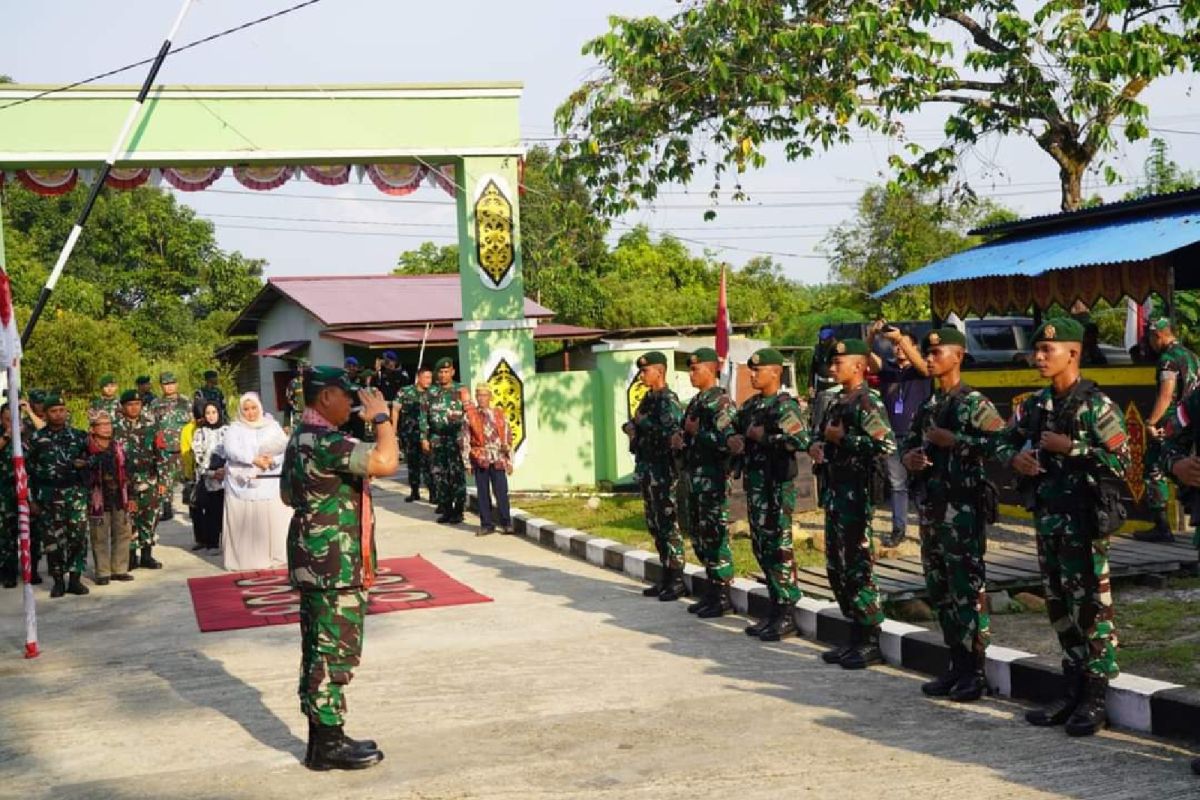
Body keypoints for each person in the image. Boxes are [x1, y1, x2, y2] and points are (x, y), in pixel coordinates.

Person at [995, 318, 1130, 737]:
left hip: (1084, 524)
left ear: (1072, 353)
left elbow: (1124, 461)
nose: (1038, 358)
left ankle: (1095, 694)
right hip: (1048, 521)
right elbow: (1002, 440)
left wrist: (1073, 447)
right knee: (1059, 607)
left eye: (1046, 351)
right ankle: (1071, 686)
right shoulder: (1035, 406)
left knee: (1091, 609)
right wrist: (1016, 459)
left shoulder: (1096, 406)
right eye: (1037, 351)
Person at [281, 365, 397, 771]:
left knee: (319, 649)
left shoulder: (301, 438)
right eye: (346, 395)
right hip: (335, 564)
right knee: (335, 651)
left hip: (316, 559)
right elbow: (385, 462)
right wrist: (382, 418)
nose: (352, 402)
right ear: (325, 397)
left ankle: (324, 739)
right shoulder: (325, 441)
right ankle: (327, 743)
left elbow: (285, 494)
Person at [901, 328, 1005, 702]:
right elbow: (908, 443)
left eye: (936, 352)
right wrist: (909, 459)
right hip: (932, 508)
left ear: (958, 356)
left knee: (966, 588)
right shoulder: (929, 406)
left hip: (962, 510)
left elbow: (1002, 444)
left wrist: (957, 441)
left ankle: (975, 670)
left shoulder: (974, 403)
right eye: (926, 353)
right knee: (940, 589)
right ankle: (956, 664)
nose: (929, 358)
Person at [808, 338, 895, 669]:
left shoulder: (867, 401)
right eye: (831, 363)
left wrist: (843, 439)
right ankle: (854, 633)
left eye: (839, 363)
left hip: (856, 494)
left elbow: (885, 444)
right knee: (837, 566)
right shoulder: (836, 401)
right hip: (835, 492)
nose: (833, 367)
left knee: (858, 565)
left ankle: (870, 636)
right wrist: (818, 447)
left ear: (858, 366)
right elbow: (821, 435)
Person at [729, 348, 806, 638]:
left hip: (777, 486)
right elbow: (734, 431)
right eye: (751, 370)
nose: (752, 375)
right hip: (756, 486)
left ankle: (787, 611)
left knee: (779, 547)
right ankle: (774, 607)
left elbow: (799, 438)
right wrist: (735, 442)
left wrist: (765, 437)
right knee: (761, 547)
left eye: (757, 370)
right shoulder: (750, 407)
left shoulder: (785, 407)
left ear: (775, 372)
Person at [674, 348, 737, 618]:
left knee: (714, 535)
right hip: (693, 478)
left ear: (711, 370)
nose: (691, 374)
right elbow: (687, 434)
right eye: (690, 369)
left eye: (695, 369)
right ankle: (711, 590)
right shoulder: (695, 402)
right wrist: (680, 439)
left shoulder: (721, 402)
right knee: (699, 537)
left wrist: (697, 434)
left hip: (712, 479)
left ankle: (722, 594)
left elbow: (728, 441)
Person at [623, 351, 687, 601]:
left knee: (668, 523)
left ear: (659, 371)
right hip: (647, 469)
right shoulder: (648, 399)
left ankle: (677, 577)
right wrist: (632, 428)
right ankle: (666, 574)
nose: (641, 375)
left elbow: (672, 434)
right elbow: (640, 426)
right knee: (655, 524)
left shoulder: (667, 400)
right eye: (640, 371)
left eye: (645, 370)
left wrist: (643, 424)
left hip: (662, 471)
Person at [868, 320, 932, 547]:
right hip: (893, 434)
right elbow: (867, 359)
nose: (898, 349)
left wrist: (901, 340)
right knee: (897, 484)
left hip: (919, 435)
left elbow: (924, 367)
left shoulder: (921, 369)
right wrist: (872, 335)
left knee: (924, 484)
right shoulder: (889, 369)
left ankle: (928, 528)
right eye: (895, 346)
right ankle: (898, 529)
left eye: (903, 345)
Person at [1138, 318, 1200, 542]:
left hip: (1171, 424)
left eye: (1151, 338)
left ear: (1159, 335)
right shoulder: (1191, 356)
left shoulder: (1167, 360)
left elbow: (1166, 394)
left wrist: (1151, 422)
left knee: (1154, 469)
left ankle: (1161, 526)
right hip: (1192, 422)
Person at [28, 393, 91, 598]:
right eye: (53, 411)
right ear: (45, 414)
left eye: (61, 410)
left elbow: (93, 462)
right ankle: (58, 581)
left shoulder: (80, 436)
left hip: (75, 494)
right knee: (52, 541)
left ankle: (75, 579)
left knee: (78, 537)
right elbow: (28, 472)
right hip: (48, 496)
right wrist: (32, 500)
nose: (58, 414)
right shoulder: (37, 439)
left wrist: (85, 465)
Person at [221, 392, 291, 571]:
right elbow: (230, 450)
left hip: (270, 479)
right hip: (243, 482)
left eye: (253, 408)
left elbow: (284, 448)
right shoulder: (234, 429)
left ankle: (276, 556)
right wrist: (253, 459)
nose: (250, 413)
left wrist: (271, 460)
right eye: (246, 409)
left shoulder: (272, 425)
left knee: (272, 520)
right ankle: (247, 560)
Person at [114, 390, 166, 571]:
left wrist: (162, 481)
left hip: (149, 478)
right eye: (129, 404)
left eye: (137, 404)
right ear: (122, 407)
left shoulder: (151, 425)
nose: (134, 407)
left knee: (149, 517)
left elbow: (161, 454)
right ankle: (130, 556)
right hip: (126, 481)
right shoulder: (116, 428)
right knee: (129, 519)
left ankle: (147, 555)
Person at [83, 411, 135, 586]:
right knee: (99, 535)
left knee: (123, 532)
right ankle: (103, 572)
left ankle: (120, 569)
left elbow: (128, 472)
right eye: (102, 425)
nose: (106, 428)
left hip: (119, 496)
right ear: (93, 428)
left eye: (109, 424)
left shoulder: (118, 447)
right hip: (97, 498)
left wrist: (132, 496)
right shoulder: (86, 448)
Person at [461, 384, 513, 536]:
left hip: (498, 457)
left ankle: (506, 523)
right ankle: (486, 524)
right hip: (480, 457)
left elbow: (508, 438)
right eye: (478, 395)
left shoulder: (499, 414)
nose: (481, 398)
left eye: (484, 395)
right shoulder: (469, 416)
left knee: (502, 492)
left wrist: (509, 460)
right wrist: (467, 462)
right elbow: (465, 440)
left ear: (490, 397)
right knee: (483, 493)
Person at [420, 357, 467, 524]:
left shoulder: (461, 390)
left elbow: (469, 414)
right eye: (440, 372)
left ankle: (458, 511)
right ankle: (446, 509)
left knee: (457, 476)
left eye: (446, 372)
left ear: (452, 372)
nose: (443, 375)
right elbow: (423, 416)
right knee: (440, 476)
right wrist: (423, 438)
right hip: (437, 439)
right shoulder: (430, 393)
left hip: (455, 439)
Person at [151, 371, 193, 521]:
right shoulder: (155, 404)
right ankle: (166, 509)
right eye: (166, 384)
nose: (169, 387)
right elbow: (151, 425)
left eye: (171, 383)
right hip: (164, 450)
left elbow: (193, 424)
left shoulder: (186, 402)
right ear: (161, 386)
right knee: (164, 480)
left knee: (188, 480)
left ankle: (192, 508)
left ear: (177, 384)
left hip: (183, 448)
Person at [191, 402, 228, 554]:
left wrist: (225, 470)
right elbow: (198, 457)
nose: (211, 416)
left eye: (214, 412)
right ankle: (212, 543)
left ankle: (228, 543)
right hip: (209, 480)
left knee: (226, 513)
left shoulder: (228, 430)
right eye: (208, 413)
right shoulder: (200, 433)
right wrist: (212, 472)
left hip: (228, 477)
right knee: (212, 512)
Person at [396, 367, 433, 502]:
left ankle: (433, 492)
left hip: (427, 435)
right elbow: (396, 409)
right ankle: (414, 491)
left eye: (430, 378)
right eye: (426, 377)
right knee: (412, 464)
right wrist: (393, 429)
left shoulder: (433, 393)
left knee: (429, 464)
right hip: (410, 434)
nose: (429, 381)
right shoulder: (405, 392)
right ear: (419, 377)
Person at [0, 405, 18, 587]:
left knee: (31, 532)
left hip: (24, 489)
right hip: (3, 490)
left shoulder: (26, 432)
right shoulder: (4, 434)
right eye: (7, 419)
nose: (11, 423)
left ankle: (33, 569)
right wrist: (7, 435)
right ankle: (8, 572)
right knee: (6, 534)